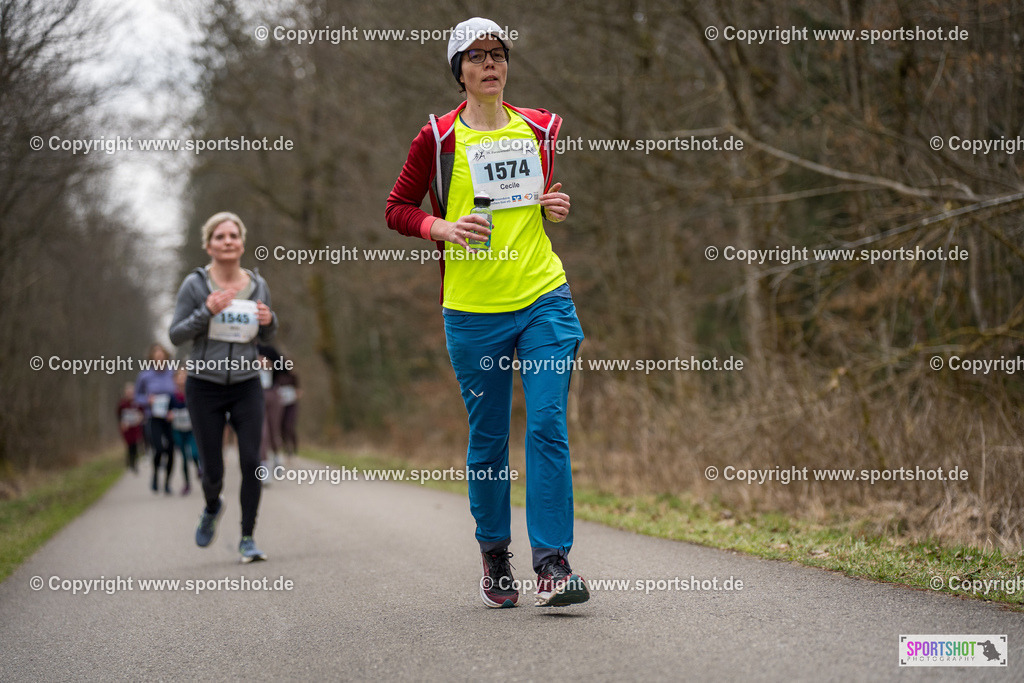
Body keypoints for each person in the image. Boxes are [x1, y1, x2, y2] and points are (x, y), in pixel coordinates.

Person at [385, 17, 588, 608]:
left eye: (497, 54)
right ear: (459, 72)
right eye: (475, 57)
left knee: (548, 423)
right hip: (474, 313)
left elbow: (539, 200)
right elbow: (397, 208)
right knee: (490, 437)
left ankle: (552, 564)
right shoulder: (438, 140)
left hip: (543, 297)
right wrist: (441, 226)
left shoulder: (539, 129)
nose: (489, 64)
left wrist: (555, 205)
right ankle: (495, 556)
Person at [169, 211, 277, 563]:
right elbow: (176, 334)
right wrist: (206, 311)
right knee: (212, 468)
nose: (227, 241)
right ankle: (213, 505)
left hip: (246, 383)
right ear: (208, 245)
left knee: (251, 460)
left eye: (233, 235)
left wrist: (269, 320)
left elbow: (267, 333)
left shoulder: (257, 285)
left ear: (242, 243)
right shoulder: (195, 285)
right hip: (204, 385)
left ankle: (248, 537)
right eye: (220, 236)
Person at [135, 344, 176, 494]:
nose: (159, 358)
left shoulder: (172, 373)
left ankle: (167, 483)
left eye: (162, 356)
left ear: (166, 357)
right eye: (156, 356)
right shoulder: (145, 376)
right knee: (159, 448)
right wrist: (147, 400)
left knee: (171, 450)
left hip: (169, 418)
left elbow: (179, 393)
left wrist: (175, 409)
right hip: (153, 417)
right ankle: (155, 475)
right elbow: (136, 397)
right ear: (151, 358)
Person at [170, 368, 201, 495]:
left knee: (194, 453)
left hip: (191, 430)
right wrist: (170, 415)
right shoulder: (172, 396)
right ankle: (187, 484)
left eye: (184, 376)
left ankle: (200, 469)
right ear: (175, 380)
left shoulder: (193, 394)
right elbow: (167, 411)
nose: (181, 379)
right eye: (179, 376)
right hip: (178, 430)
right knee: (183, 458)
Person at [256, 345, 283, 474]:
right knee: (263, 432)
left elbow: (285, 368)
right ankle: (264, 466)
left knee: (274, 430)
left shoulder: (270, 351)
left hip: (272, 394)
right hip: (256, 396)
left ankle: (277, 458)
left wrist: (270, 364)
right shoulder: (244, 352)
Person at [275, 356, 301, 462]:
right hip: (281, 405)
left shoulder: (294, 376)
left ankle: (294, 448)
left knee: (289, 426)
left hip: (291, 404)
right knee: (281, 427)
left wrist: (296, 395)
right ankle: (287, 449)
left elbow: (299, 390)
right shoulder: (279, 376)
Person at [117, 383, 144, 472]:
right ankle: (129, 461)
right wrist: (122, 423)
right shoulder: (122, 404)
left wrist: (140, 418)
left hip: (135, 428)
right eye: (128, 392)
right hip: (127, 429)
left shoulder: (137, 403)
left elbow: (142, 414)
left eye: (131, 392)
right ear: (125, 393)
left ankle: (134, 463)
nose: (130, 394)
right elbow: (119, 416)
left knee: (135, 445)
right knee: (129, 445)